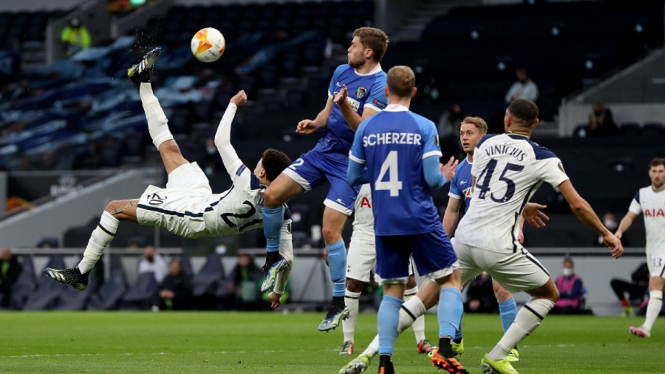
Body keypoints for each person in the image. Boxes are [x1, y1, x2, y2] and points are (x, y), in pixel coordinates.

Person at [44, 48, 294, 303]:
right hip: (202, 198)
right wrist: (279, 290)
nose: (254, 167)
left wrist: (232, 105)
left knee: (113, 209)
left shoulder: (249, 184)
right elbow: (288, 257)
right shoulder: (282, 210)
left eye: (257, 165)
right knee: (169, 147)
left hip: (191, 216)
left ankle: (81, 272)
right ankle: (142, 81)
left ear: (262, 172)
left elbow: (220, 140)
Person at [451, 98, 621, 373]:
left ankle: (382, 351)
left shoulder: (486, 145)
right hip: (496, 240)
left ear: (506, 120)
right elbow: (576, 204)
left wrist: (519, 205)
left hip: (466, 234)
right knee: (547, 293)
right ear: (537, 124)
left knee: (436, 291)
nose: (465, 137)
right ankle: (499, 352)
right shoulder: (542, 155)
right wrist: (606, 233)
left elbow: (478, 190)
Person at [260, 27, 389, 332]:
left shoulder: (380, 84)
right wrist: (316, 122)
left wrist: (345, 105)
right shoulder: (341, 71)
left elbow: (364, 131)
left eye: (353, 45)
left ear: (367, 52)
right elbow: (328, 109)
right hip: (323, 151)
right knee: (270, 196)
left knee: (331, 230)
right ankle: (272, 259)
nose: (348, 49)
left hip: (351, 163)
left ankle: (338, 302)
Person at [347, 65, 468, 374]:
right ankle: (444, 348)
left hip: (384, 219)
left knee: (392, 290)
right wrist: (443, 176)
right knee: (450, 278)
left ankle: (385, 362)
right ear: (414, 92)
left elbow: (353, 176)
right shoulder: (425, 126)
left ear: (385, 92)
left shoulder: (366, 128)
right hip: (419, 216)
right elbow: (431, 178)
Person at [341, 183, 456, 356]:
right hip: (363, 234)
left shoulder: (394, 169)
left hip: (392, 233)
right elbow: (341, 206)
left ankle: (421, 340)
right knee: (354, 284)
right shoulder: (356, 172)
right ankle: (347, 341)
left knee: (409, 281)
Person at [441, 116, 521, 361]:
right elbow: (453, 210)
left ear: (483, 137)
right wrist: (442, 241)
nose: (464, 137)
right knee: (451, 288)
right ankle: (456, 340)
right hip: (468, 238)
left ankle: (510, 348)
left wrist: (518, 227)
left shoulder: (500, 166)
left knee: (502, 289)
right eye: (462, 132)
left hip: (498, 234)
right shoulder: (460, 171)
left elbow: (519, 199)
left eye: (470, 133)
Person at [615, 158, 665, 338]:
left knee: (655, 285)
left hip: (664, 248)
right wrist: (619, 231)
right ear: (649, 172)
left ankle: (646, 328)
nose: (657, 175)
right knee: (660, 290)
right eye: (655, 171)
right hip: (651, 248)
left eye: (661, 171)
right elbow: (630, 216)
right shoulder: (642, 194)